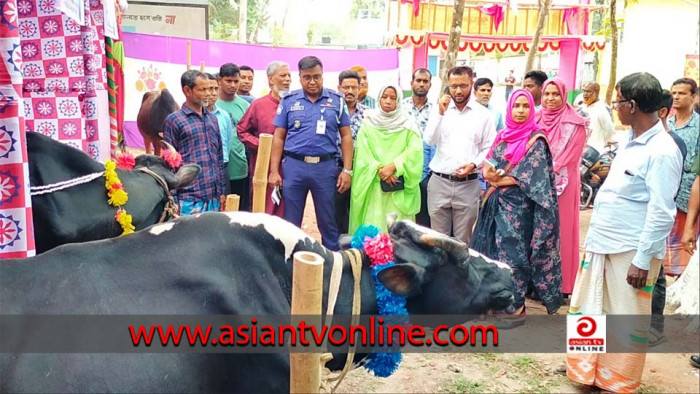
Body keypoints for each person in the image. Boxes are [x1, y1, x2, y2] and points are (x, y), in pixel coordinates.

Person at [566, 72, 683, 393]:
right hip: (603, 243)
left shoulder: (662, 150)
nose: (614, 107)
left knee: (625, 317)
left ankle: (616, 381)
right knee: (592, 309)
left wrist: (643, 260)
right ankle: (587, 370)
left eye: (617, 101)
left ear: (631, 105)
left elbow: (661, 212)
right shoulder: (630, 141)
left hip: (632, 252)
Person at [471, 89, 561, 317]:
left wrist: (499, 180)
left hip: (519, 208)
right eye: (516, 106)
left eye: (525, 107)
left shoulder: (536, 140)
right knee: (491, 252)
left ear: (532, 109)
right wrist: (488, 174)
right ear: (509, 109)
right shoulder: (502, 135)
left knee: (514, 254)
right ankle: (494, 301)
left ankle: (516, 305)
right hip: (494, 204)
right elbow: (489, 163)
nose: (520, 111)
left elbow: (534, 175)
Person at [269, 56, 353, 251]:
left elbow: (347, 137)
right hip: (294, 167)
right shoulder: (289, 101)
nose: (313, 82)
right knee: (291, 221)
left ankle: (332, 263)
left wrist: (347, 170)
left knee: (327, 221)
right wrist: (274, 171)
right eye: (307, 77)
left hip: (325, 168)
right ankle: (290, 261)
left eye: (317, 77)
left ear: (323, 75)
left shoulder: (336, 100)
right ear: (300, 77)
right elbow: (278, 137)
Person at [423, 66, 496, 244]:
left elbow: (490, 147)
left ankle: (461, 273)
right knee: (438, 241)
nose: (458, 90)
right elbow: (429, 140)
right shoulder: (439, 109)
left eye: (463, 85)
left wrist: (473, 164)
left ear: (472, 83)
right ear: (448, 84)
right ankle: (440, 272)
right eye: (453, 86)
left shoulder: (483, 115)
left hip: (468, 184)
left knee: (463, 242)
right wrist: (440, 113)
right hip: (439, 182)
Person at [534, 77, 588, 296]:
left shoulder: (576, 122)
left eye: (555, 94)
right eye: (547, 93)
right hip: (536, 184)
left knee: (561, 231)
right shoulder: (534, 118)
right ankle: (537, 284)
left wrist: (544, 173)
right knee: (538, 232)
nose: (550, 98)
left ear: (564, 95)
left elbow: (570, 156)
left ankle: (563, 285)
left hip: (563, 185)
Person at [348, 85, 423, 233]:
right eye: (384, 97)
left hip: (398, 183)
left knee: (397, 230)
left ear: (399, 101)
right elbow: (363, 152)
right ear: (379, 99)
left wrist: (394, 166)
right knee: (373, 228)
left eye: (393, 98)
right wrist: (380, 169)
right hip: (373, 185)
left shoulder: (408, 123)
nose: (388, 101)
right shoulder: (368, 122)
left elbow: (415, 150)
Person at [650, 89, 688, 346]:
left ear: (661, 113)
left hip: (657, 216)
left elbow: (665, 194)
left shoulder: (671, 145)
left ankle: (654, 328)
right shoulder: (636, 141)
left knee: (656, 271)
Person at [164, 70, 227, 214]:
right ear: (187, 91)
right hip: (188, 197)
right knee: (188, 236)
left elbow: (219, 157)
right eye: (202, 89)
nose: (208, 93)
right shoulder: (174, 120)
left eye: (210, 89)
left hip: (213, 195)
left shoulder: (212, 119)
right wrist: (173, 197)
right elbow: (169, 162)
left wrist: (222, 191)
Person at [237, 61, 291, 217]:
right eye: (283, 75)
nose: (287, 79)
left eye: (289, 76)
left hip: (291, 166)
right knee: (265, 209)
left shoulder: (295, 104)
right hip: (264, 166)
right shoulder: (258, 105)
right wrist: (263, 145)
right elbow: (241, 130)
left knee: (289, 211)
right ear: (271, 79)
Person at [664, 78, 700, 277]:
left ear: (693, 97)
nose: (676, 97)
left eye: (682, 93)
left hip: (689, 196)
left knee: (686, 252)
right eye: (673, 93)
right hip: (666, 194)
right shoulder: (666, 123)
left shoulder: (698, 126)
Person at [334, 70, 368, 234]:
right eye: (345, 87)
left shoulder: (367, 114)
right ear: (339, 87)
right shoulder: (330, 112)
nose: (349, 91)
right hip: (336, 169)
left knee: (359, 211)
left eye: (354, 87)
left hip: (361, 171)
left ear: (360, 88)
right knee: (337, 213)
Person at [403, 68, 435, 228]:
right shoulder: (400, 107)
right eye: (418, 80)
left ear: (430, 84)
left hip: (427, 170)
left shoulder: (436, 110)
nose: (421, 84)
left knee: (424, 216)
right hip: (404, 167)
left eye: (425, 81)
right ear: (412, 83)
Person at [579, 82, 615, 154]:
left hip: (596, 151)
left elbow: (609, 130)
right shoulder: (583, 107)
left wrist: (602, 143)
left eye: (588, 91)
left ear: (596, 93)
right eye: (584, 91)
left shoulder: (602, 109)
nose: (585, 94)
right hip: (582, 150)